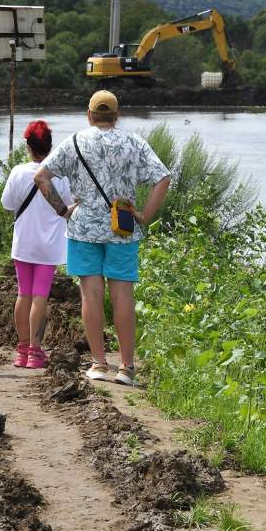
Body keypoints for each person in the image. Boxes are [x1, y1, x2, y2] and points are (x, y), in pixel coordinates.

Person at [35, 90, 171, 386]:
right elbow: (163, 177)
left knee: (91, 294)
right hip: (122, 227)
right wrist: (144, 215)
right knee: (123, 294)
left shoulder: (74, 142)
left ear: (89, 115)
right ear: (117, 116)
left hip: (83, 228)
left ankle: (98, 363)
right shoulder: (134, 142)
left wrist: (63, 210)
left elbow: (41, 177)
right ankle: (127, 367)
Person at [0, 120, 73, 369]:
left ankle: (21, 351)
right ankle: (35, 352)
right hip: (49, 246)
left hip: (24, 243)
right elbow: (68, 205)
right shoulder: (60, 175)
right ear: (50, 146)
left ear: (28, 146)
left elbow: (7, 204)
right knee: (40, 296)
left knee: (23, 293)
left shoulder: (18, 172)